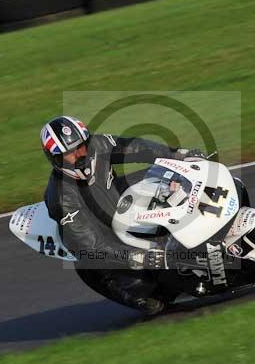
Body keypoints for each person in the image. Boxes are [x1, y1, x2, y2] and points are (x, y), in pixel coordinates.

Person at [41, 115, 204, 315]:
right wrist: (140, 257)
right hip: (105, 241)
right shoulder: (61, 198)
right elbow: (93, 247)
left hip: (124, 210)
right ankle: (135, 296)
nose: (80, 155)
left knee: (167, 185)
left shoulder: (97, 146)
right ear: (57, 159)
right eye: (70, 153)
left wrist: (179, 155)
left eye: (81, 146)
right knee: (149, 295)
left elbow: (134, 147)